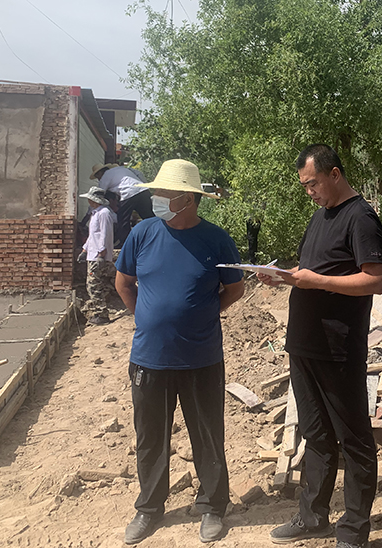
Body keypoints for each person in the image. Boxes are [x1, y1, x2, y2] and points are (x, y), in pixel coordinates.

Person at [258, 144, 382, 548]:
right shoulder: (319, 217)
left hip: (337, 347)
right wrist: (284, 276)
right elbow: (312, 270)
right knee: (315, 434)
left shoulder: (361, 217)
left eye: (313, 183)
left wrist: (317, 281)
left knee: (354, 439)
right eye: (304, 186)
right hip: (304, 343)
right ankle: (313, 517)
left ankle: (354, 530)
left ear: (334, 174)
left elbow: (375, 280)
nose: (309, 192)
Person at [115, 159, 245, 544]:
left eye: (163, 193)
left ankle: (213, 506)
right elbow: (124, 283)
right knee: (150, 437)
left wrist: (201, 315)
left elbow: (234, 288)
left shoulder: (216, 239)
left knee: (207, 434)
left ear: (187, 199)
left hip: (201, 358)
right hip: (149, 358)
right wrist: (148, 318)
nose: (156, 198)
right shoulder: (143, 233)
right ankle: (149, 508)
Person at [79, 186, 117, 325]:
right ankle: (99, 312)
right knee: (95, 284)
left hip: (98, 255)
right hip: (92, 253)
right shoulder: (95, 213)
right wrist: (84, 250)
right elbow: (93, 235)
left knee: (93, 285)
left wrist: (102, 253)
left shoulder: (104, 213)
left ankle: (101, 314)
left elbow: (104, 234)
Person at [90, 163, 154, 246]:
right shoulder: (123, 169)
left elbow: (98, 195)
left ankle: (126, 243)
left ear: (100, 173)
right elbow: (139, 174)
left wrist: (90, 212)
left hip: (129, 193)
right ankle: (157, 236)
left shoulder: (105, 176)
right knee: (149, 217)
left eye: (97, 176)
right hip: (143, 190)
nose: (98, 179)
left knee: (122, 219)